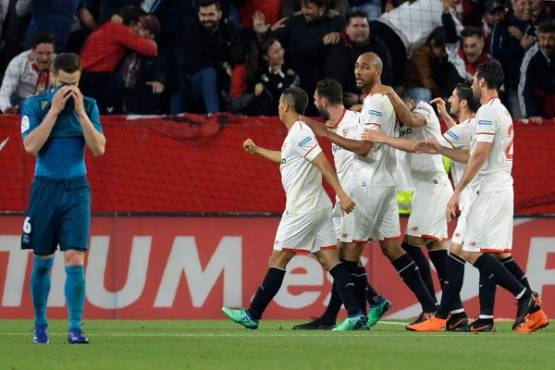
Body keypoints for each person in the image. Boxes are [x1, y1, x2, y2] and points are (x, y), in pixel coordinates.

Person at [407, 60, 545, 333]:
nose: (471, 84)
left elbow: (479, 155)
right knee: (458, 250)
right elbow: (473, 153)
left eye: (473, 80)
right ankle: (443, 317)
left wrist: (457, 192)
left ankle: (525, 297)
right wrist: (440, 149)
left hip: (488, 190)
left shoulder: (486, 113)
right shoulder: (499, 111)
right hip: (493, 187)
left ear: (482, 81)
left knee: (471, 252)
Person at [302, 53, 437, 326]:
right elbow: (401, 121)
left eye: (365, 67)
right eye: (356, 66)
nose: (358, 71)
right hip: (384, 183)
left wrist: (326, 134)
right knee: (391, 248)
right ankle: (432, 308)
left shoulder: (375, 100)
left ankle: (350, 315)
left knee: (345, 255)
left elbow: (365, 147)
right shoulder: (376, 101)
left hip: (367, 184)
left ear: (378, 71)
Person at [222, 87, 367, 331]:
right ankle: (355, 314)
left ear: (286, 106)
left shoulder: (300, 132)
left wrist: (341, 194)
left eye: (280, 103)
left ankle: (253, 314)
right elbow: (286, 157)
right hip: (317, 207)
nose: (278, 107)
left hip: (302, 209)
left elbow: (322, 162)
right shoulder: (296, 134)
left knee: (278, 259)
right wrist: (257, 151)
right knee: (331, 260)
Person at [361, 85, 464, 328]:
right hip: (424, 191)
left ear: (406, 102)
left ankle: (432, 311)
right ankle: (456, 314)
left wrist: (382, 136)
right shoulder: (396, 123)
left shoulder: (423, 110)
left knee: (410, 245)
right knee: (438, 255)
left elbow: (412, 130)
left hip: (435, 187)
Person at [20, 53, 106, 344]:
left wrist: (81, 114)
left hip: (76, 190)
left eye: (75, 84)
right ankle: (41, 324)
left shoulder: (89, 106)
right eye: (65, 84)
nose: (70, 90)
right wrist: (54, 112)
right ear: (54, 77)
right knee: (42, 260)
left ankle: (74, 327)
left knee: (74, 258)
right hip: (45, 189)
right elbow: (30, 146)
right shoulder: (34, 105)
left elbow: (99, 149)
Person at [293, 79, 391, 330]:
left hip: (357, 195)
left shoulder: (356, 122)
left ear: (324, 101)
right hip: (344, 196)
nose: (314, 104)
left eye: (316, 100)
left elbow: (366, 149)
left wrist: (328, 133)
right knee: (334, 257)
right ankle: (373, 300)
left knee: (340, 258)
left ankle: (345, 314)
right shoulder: (337, 124)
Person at [79, 6, 158, 113]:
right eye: (139, 26)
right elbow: (151, 49)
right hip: (96, 78)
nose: (139, 31)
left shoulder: (108, 27)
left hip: (85, 76)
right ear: (132, 23)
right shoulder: (119, 30)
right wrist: (152, 41)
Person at [324, 10, 393, 108]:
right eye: (355, 26)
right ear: (347, 29)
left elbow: (386, 77)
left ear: (369, 28)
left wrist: (362, 98)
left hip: (375, 102)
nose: (360, 29)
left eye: (364, 26)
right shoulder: (338, 48)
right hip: (343, 103)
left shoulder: (379, 47)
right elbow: (333, 80)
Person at [0, 32, 55, 114]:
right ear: (32, 51)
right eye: (40, 53)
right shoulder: (18, 62)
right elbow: (4, 93)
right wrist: (7, 109)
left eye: (49, 53)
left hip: (46, 102)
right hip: (20, 102)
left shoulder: (58, 64)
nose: (44, 58)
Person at [518, 20, 555, 122]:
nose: (546, 43)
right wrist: (529, 115)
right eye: (543, 38)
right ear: (538, 39)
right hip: (536, 104)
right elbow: (524, 88)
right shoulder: (530, 57)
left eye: (551, 38)